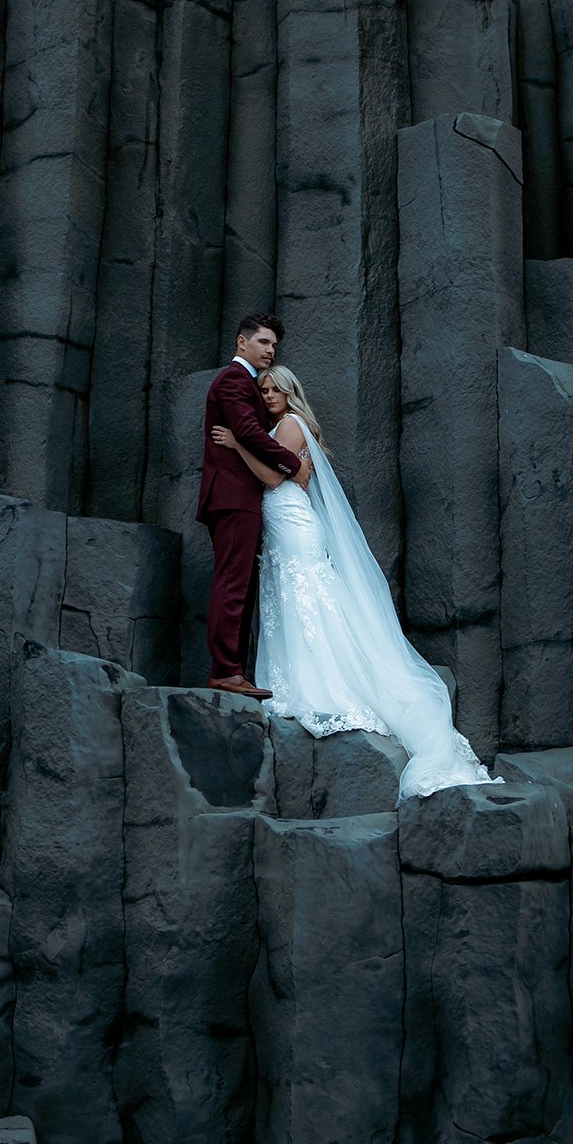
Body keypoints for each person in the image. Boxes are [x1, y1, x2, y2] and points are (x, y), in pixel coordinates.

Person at [211, 365, 498, 799]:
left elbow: (272, 476)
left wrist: (236, 444)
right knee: (297, 601)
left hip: (291, 526)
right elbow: (293, 475)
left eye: (276, 389)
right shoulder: (286, 426)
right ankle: (301, 674)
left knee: (304, 599)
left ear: (291, 393)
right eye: (264, 389)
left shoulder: (289, 425)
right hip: (286, 525)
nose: (268, 394)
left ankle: (323, 681)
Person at [197, 314, 309, 700]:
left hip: (242, 497)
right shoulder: (232, 379)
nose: (270, 350)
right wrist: (294, 464)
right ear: (241, 342)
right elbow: (246, 430)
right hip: (232, 497)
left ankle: (232, 670)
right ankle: (225, 671)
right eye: (263, 342)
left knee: (239, 585)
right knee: (232, 584)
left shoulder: (246, 383)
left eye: (274, 345)